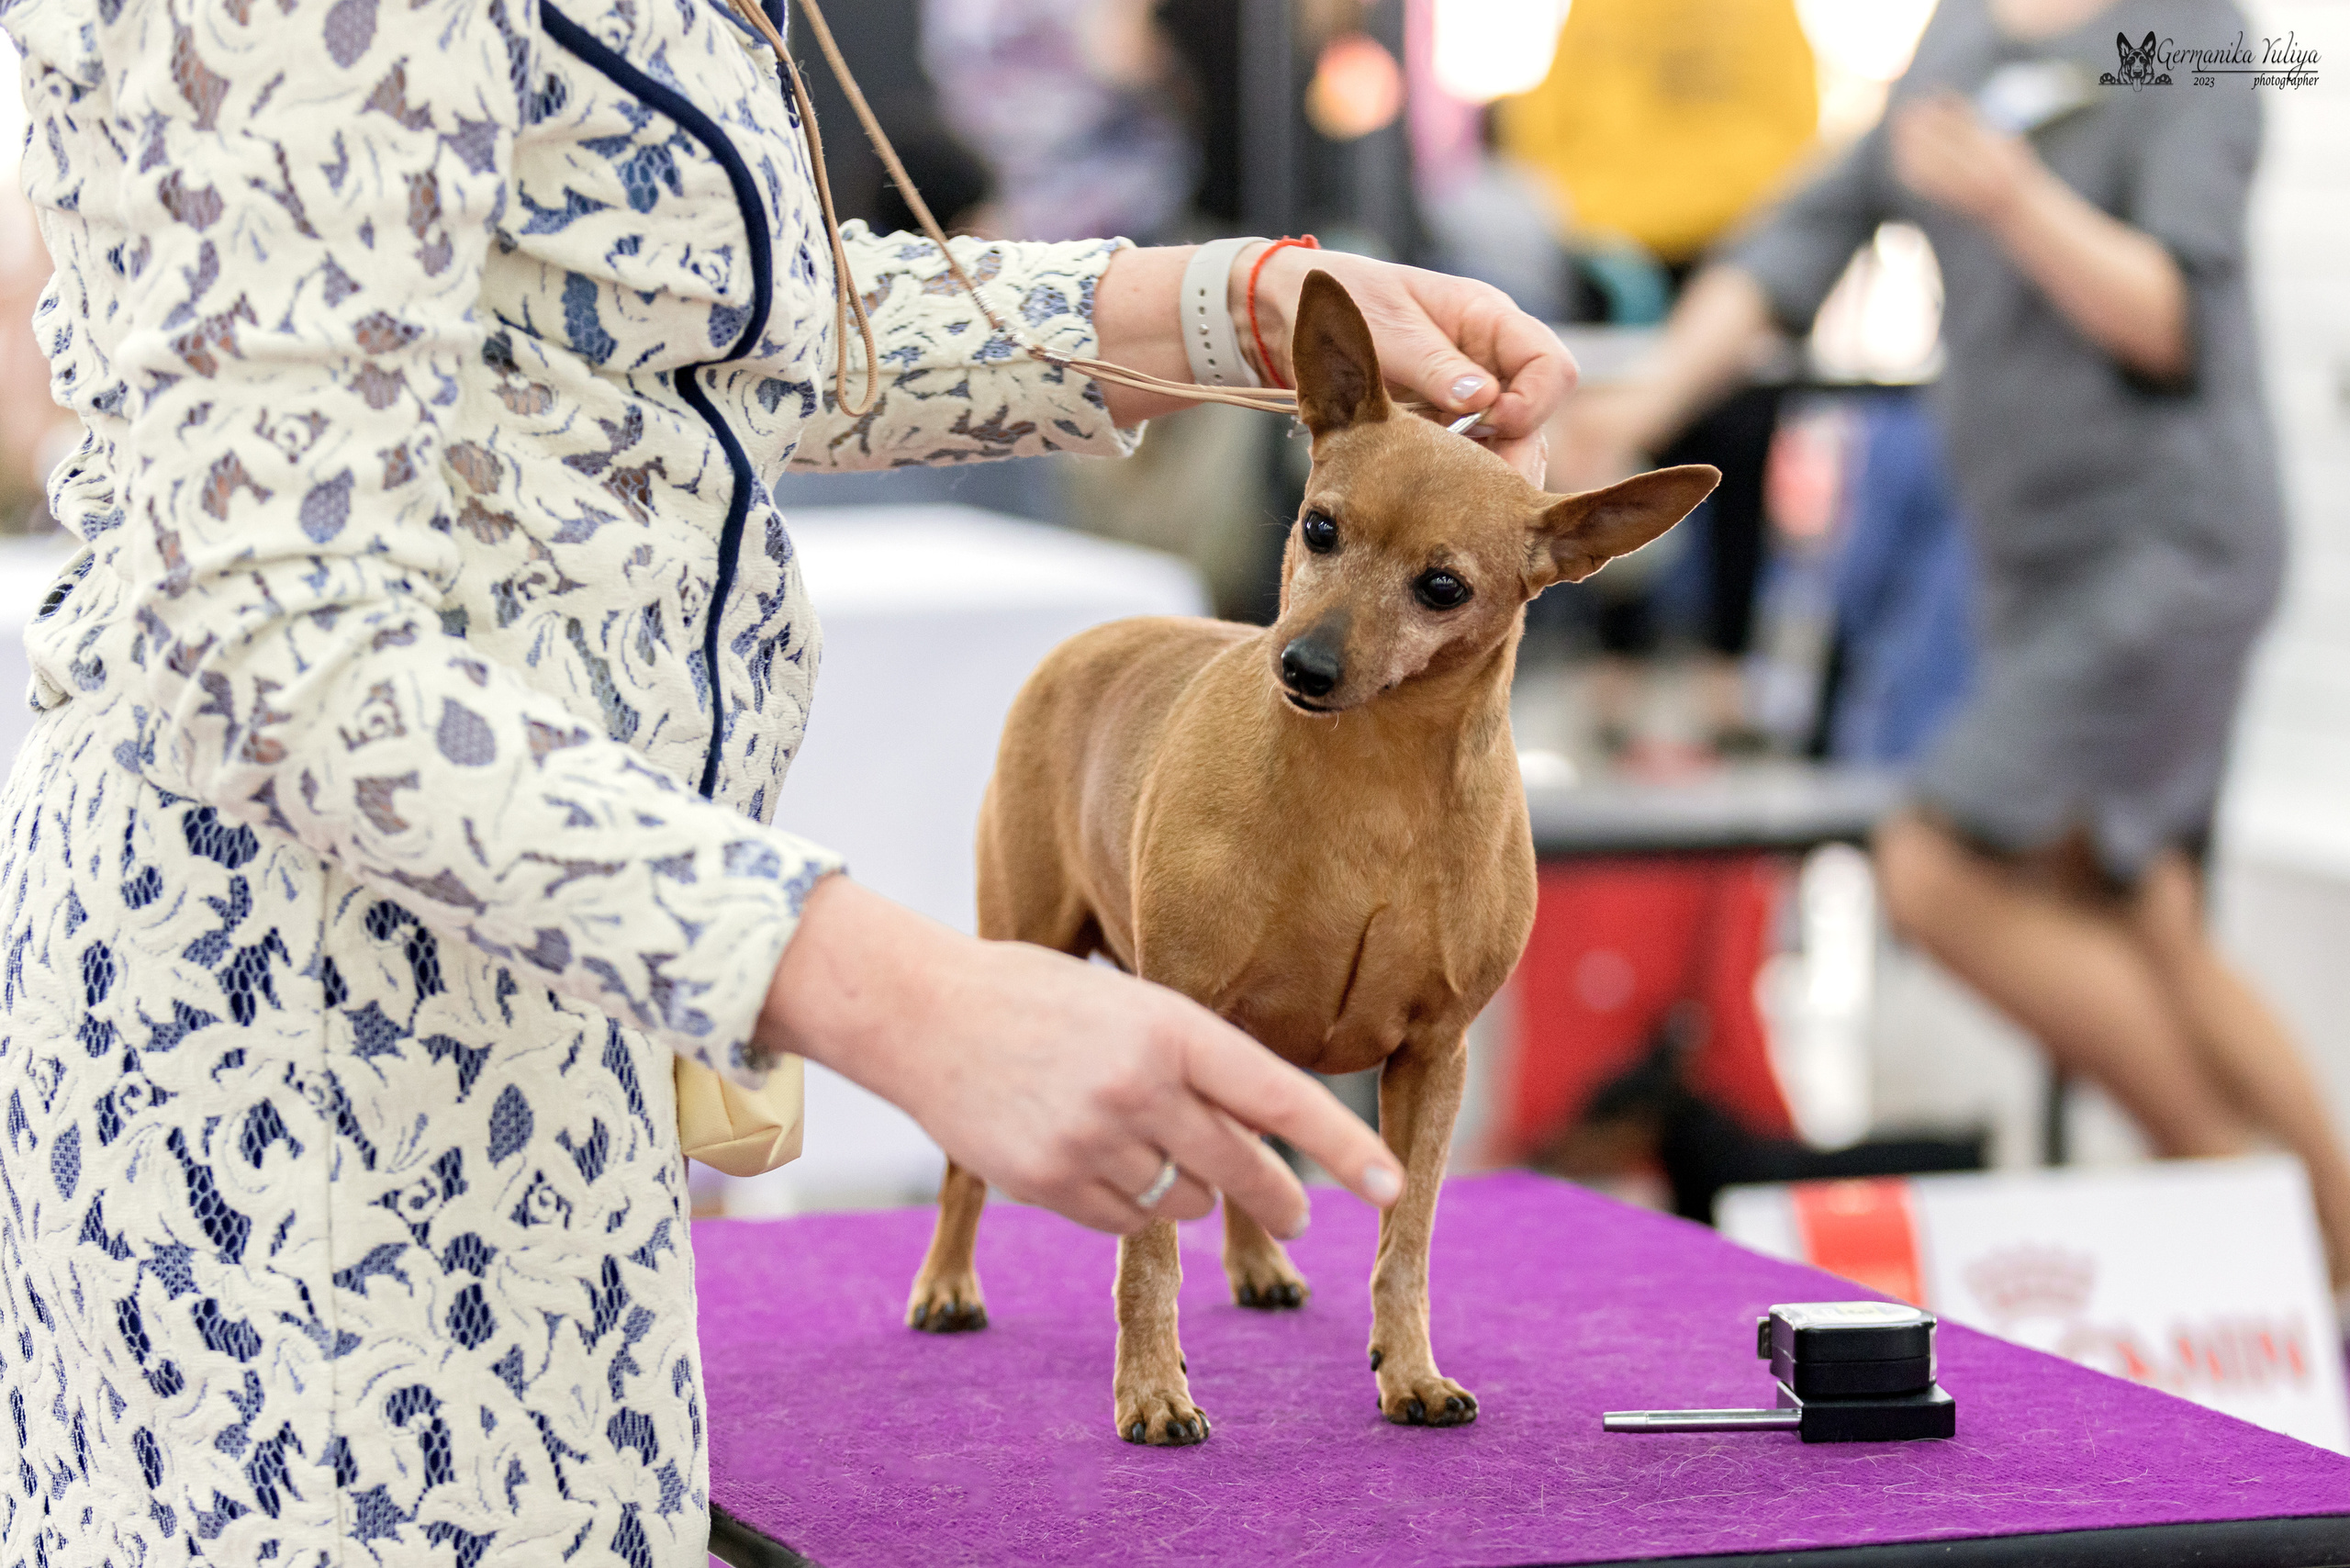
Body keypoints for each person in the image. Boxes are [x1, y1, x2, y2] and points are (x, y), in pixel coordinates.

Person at [0, 1, 1569, 1561]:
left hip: (565, 1004)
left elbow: (705, 328)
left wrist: (1244, 302)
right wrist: (901, 994)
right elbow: (252, 624)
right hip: (308, 1061)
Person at [1556, 0, 2350, 1280]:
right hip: (2036, 565)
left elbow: (2177, 317)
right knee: (2146, 907)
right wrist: (1646, 406)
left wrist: (2011, 196)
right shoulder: (1960, 34)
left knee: (1940, 868)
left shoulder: (2188, 29)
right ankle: (2320, 1256)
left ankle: (2230, 1195)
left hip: (2170, 548)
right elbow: (1798, 243)